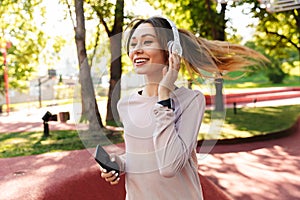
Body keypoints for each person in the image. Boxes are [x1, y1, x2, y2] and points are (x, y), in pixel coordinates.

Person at [99, 16, 267, 199]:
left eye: (147, 42)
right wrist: (118, 163)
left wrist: (164, 97)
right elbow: (141, 156)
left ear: (171, 50)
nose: (137, 50)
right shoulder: (126, 105)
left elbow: (169, 166)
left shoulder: (191, 101)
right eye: (133, 44)